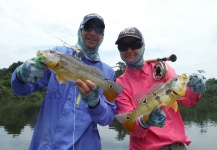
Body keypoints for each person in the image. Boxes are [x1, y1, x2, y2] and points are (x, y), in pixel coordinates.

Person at [11, 13, 117, 150]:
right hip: (46, 145)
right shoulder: (59, 53)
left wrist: (95, 103)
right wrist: (21, 75)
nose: (93, 32)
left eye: (99, 30)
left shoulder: (108, 73)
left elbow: (107, 119)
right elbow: (20, 89)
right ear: (80, 30)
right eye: (88, 27)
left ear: (103, 36)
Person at [115, 27, 206, 150]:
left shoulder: (162, 68)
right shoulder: (120, 84)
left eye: (135, 44)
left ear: (143, 46)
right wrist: (144, 122)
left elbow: (186, 100)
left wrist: (196, 90)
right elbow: (133, 129)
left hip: (177, 146)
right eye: (123, 46)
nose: (129, 49)